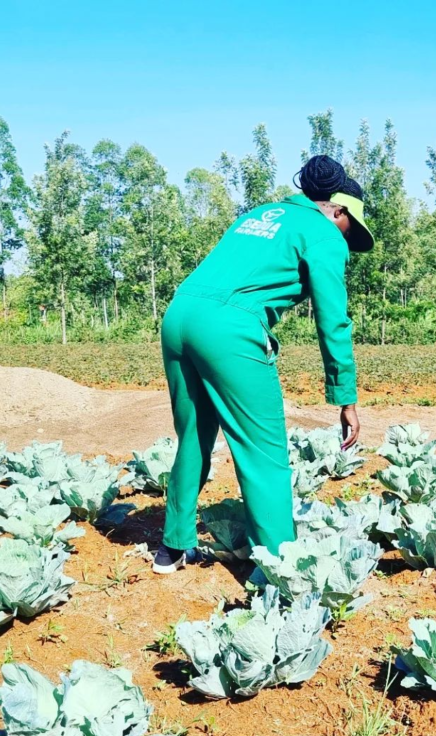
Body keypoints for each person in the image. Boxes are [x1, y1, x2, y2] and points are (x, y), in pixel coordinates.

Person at [153, 154, 374, 574]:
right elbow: (334, 321)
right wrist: (345, 398)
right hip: (229, 330)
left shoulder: (259, 215)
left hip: (179, 316)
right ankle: (279, 571)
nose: (347, 242)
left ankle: (172, 548)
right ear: (338, 211)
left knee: (194, 435)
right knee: (263, 454)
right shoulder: (323, 233)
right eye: (350, 230)